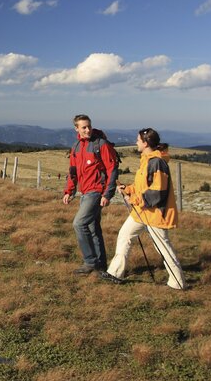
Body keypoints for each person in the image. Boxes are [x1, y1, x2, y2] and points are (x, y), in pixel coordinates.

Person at [105, 127, 186, 290]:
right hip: (142, 212)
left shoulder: (157, 162)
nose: (136, 142)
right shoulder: (147, 159)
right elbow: (143, 186)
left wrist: (133, 199)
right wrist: (128, 189)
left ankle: (178, 282)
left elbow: (157, 192)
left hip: (155, 213)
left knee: (163, 247)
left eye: (138, 140)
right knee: (125, 235)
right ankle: (115, 273)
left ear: (146, 142)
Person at [61, 114, 119, 277]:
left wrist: (107, 193)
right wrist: (69, 191)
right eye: (84, 127)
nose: (88, 129)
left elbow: (112, 169)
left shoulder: (100, 144)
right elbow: (73, 171)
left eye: (89, 126)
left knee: (79, 224)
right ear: (76, 129)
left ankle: (90, 262)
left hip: (96, 191)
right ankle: (100, 265)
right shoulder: (76, 147)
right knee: (93, 228)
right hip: (85, 192)